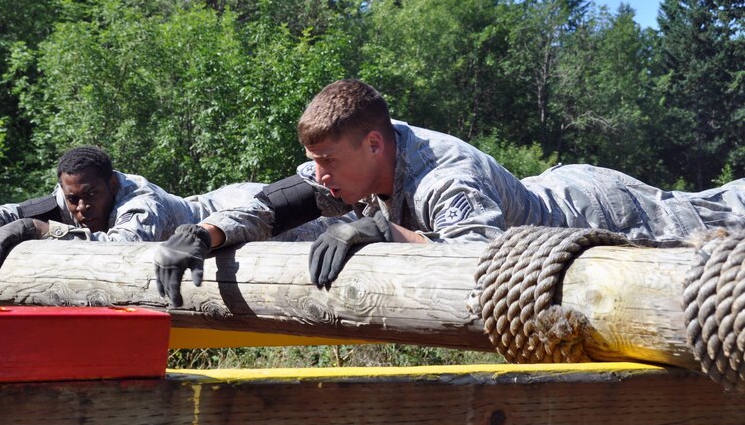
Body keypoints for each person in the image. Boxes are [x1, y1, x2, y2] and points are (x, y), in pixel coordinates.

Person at [154, 78, 745, 306]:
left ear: (374, 146)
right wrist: (205, 234)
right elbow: (276, 202)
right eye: (318, 163)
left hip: (602, 210)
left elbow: (478, 262)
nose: (322, 175)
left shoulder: (446, 178)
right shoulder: (347, 166)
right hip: (555, 195)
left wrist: (385, 231)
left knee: (723, 211)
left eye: (328, 161)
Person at [0, 146, 346, 279]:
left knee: (348, 219)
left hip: (250, 214)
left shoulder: (141, 203)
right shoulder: (73, 195)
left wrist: (39, 230)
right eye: (73, 200)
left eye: (90, 197)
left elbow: (120, 251)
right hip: (220, 206)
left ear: (112, 185)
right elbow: (10, 211)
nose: (81, 208)